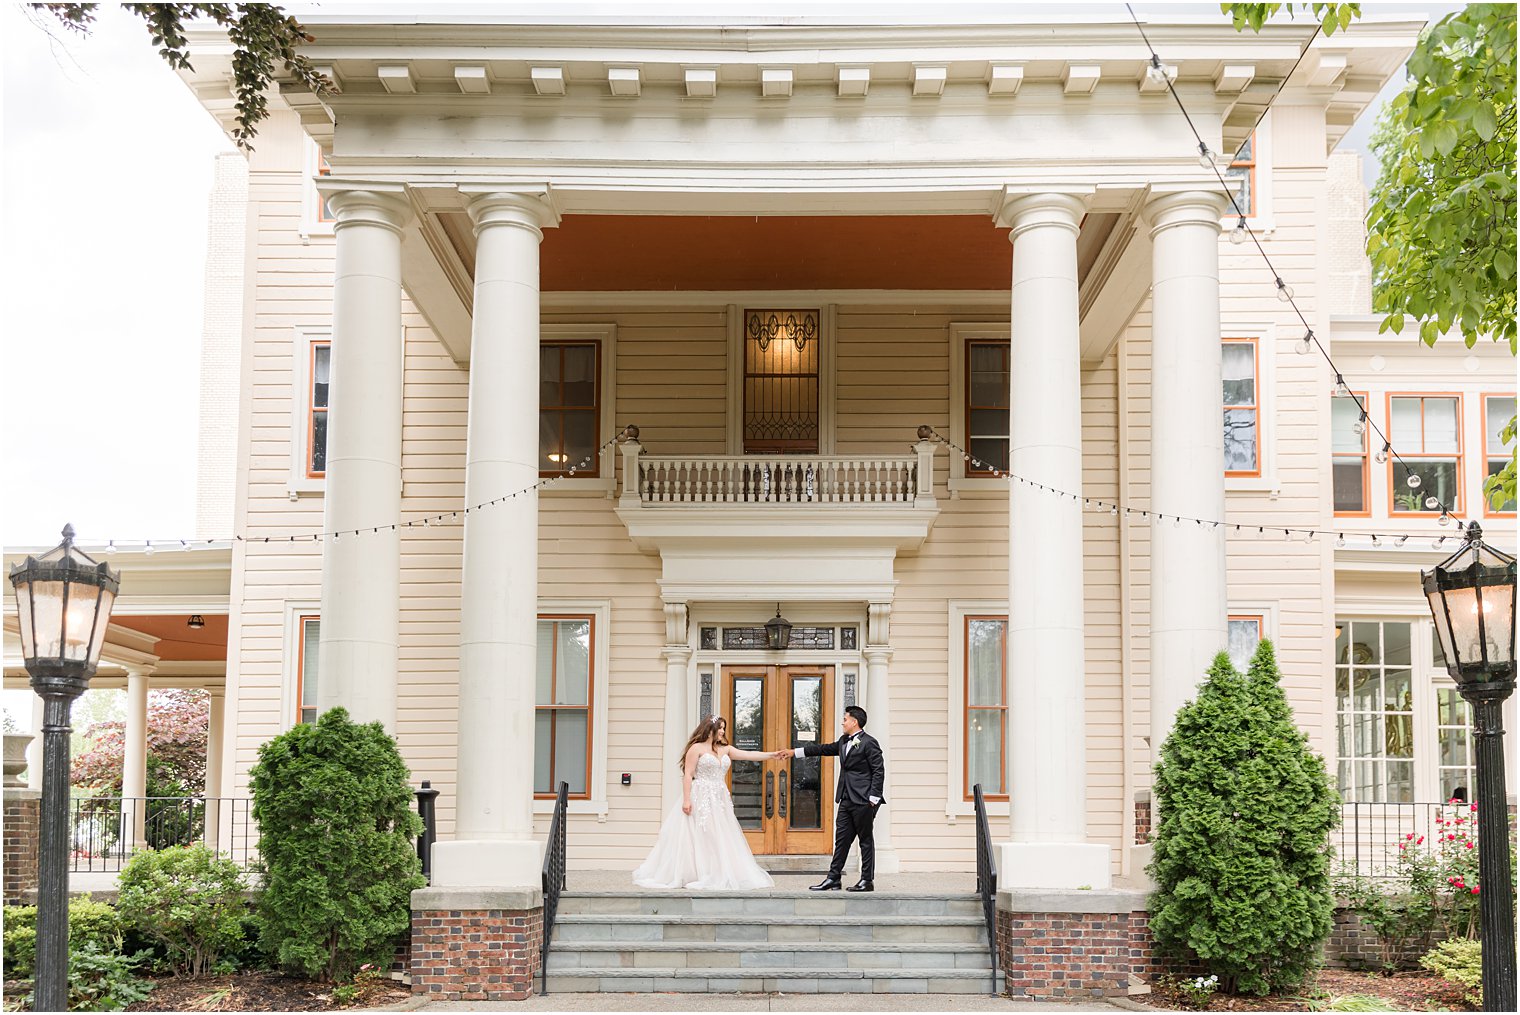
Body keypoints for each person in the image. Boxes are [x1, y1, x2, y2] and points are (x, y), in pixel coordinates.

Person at [632, 715, 776, 890]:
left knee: (720, 834)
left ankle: (716, 872)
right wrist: (686, 800)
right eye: (720, 727)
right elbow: (688, 774)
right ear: (709, 729)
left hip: (719, 797)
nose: (723, 731)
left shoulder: (725, 749)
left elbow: (749, 755)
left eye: (724, 728)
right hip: (700, 796)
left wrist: (773, 755)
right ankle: (701, 873)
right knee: (705, 834)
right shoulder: (696, 748)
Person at [774, 704, 884, 892]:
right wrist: (794, 752)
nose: (843, 722)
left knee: (865, 840)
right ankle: (833, 878)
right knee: (841, 839)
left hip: (864, 800)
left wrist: (873, 799)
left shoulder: (869, 742)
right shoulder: (843, 741)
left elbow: (878, 770)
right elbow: (823, 749)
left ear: (854, 722)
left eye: (845, 719)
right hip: (846, 798)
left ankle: (867, 880)